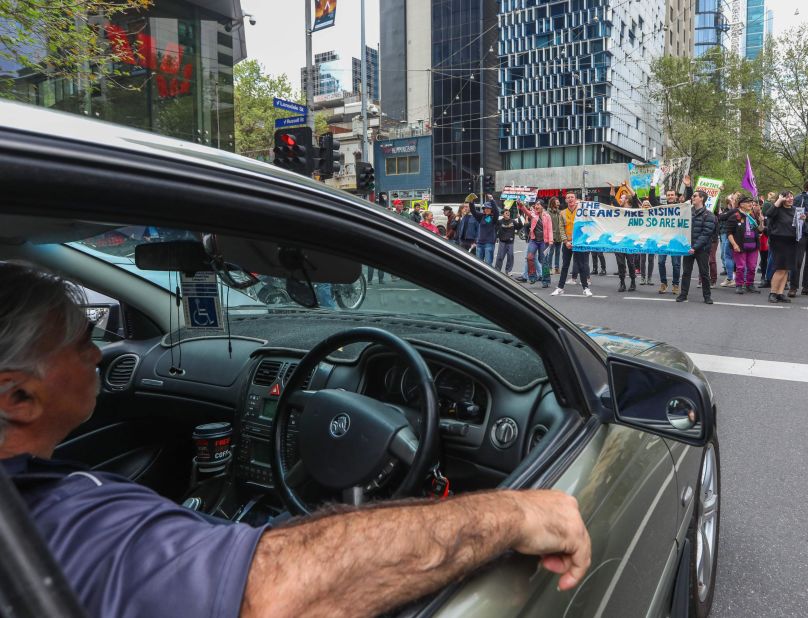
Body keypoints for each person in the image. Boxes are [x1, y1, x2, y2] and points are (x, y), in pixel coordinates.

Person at [0, 262, 591, 618]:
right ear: (18, 397)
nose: (99, 351)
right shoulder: (58, 522)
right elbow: (271, 593)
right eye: (81, 341)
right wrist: (512, 511)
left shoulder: (46, 502)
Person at [676, 190, 717, 304]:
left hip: (701, 249)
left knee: (704, 273)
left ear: (702, 198)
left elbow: (706, 234)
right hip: (688, 248)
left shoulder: (709, 215)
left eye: (695, 196)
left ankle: (707, 296)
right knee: (686, 272)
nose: (692, 198)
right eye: (692, 196)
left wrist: (695, 247)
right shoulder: (687, 213)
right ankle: (683, 294)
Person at [551, 192, 593, 296]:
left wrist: (582, 203)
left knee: (581, 265)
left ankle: (586, 288)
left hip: (579, 243)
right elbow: (561, 228)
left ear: (575, 199)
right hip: (567, 243)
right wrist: (565, 242)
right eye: (568, 198)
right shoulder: (562, 213)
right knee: (565, 266)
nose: (570, 199)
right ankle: (560, 287)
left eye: (572, 197)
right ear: (565, 200)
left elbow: (589, 221)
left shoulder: (582, 211)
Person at [764, 191, 801, 304]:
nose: (790, 199)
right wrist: (779, 200)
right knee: (780, 268)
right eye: (787, 197)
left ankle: (780, 293)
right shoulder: (777, 209)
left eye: (791, 196)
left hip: (792, 241)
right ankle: (773, 292)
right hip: (779, 241)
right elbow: (769, 214)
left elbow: (799, 225)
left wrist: (804, 218)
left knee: (786, 269)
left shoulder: (796, 210)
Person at [726, 195, 765, 294]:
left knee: (752, 267)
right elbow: (729, 233)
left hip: (753, 245)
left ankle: (750, 284)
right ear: (741, 204)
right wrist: (734, 245)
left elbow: (760, 230)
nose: (751, 204)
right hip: (740, 246)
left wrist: (761, 222)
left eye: (751, 202)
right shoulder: (734, 216)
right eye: (748, 202)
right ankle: (739, 285)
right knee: (741, 267)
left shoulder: (753, 215)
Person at [518, 200, 553, 286]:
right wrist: (521, 205)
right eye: (535, 205)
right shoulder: (533, 214)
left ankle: (546, 280)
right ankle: (532, 277)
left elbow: (550, 229)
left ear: (542, 206)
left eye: (538, 205)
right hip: (533, 240)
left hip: (543, 242)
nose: (536, 206)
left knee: (544, 261)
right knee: (530, 258)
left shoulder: (547, 216)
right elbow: (526, 211)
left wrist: (551, 240)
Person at [608, 190, 637, 292]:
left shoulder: (634, 210)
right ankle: (622, 283)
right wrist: (612, 188)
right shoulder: (618, 210)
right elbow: (612, 198)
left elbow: (635, 196)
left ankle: (633, 281)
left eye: (622, 197)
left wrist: (628, 187)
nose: (620, 199)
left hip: (630, 241)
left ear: (627, 200)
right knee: (620, 263)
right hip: (619, 241)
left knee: (630, 262)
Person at [716, 194, 739, 288]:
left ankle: (730, 278)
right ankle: (736, 278)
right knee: (736, 257)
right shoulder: (739, 210)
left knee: (728, 256)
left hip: (731, 235)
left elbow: (721, 217)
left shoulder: (735, 210)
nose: (731, 199)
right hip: (735, 235)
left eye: (732, 198)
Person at [494, 208, 521, 275]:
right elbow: (495, 229)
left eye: (508, 212)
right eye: (506, 213)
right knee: (500, 257)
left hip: (510, 242)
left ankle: (508, 271)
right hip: (502, 242)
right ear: (503, 215)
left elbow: (519, 227)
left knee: (510, 256)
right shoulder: (500, 221)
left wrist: (519, 218)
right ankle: (497, 270)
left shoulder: (513, 221)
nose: (508, 214)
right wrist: (496, 237)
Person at [548, 197, 564, 275]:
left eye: (558, 202)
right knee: (550, 252)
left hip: (559, 236)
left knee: (558, 252)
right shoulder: (548, 212)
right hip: (551, 236)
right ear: (552, 203)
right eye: (557, 202)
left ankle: (557, 268)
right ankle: (549, 268)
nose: (558, 204)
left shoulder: (560, 212)